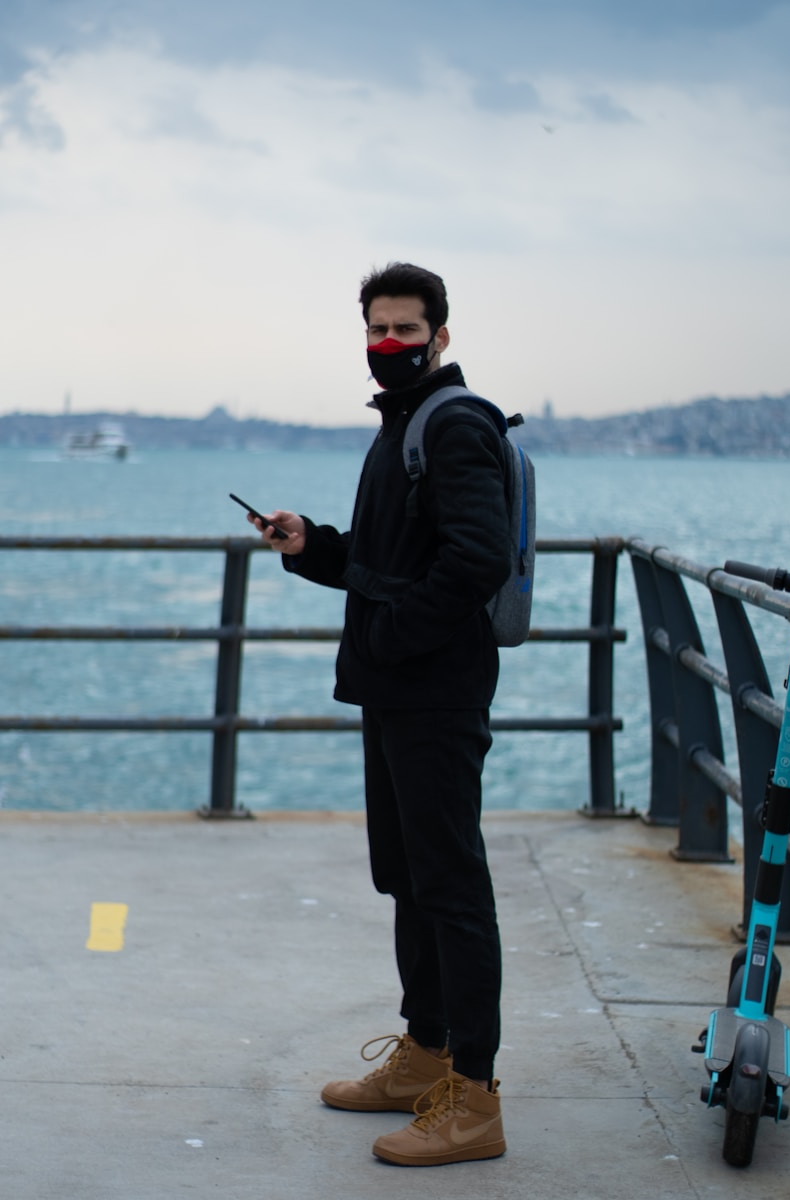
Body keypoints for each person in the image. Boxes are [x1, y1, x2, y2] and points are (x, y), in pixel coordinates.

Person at [248, 262, 511, 1167]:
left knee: (453, 888)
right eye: (377, 329)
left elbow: (477, 560)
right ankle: (425, 1055)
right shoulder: (401, 425)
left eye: (405, 329)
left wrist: (395, 636)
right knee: (408, 880)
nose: (388, 343)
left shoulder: (454, 424)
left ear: (440, 336)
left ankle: (474, 1100)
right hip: (396, 687)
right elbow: (388, 557)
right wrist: (311, 545)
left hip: (434, 691)